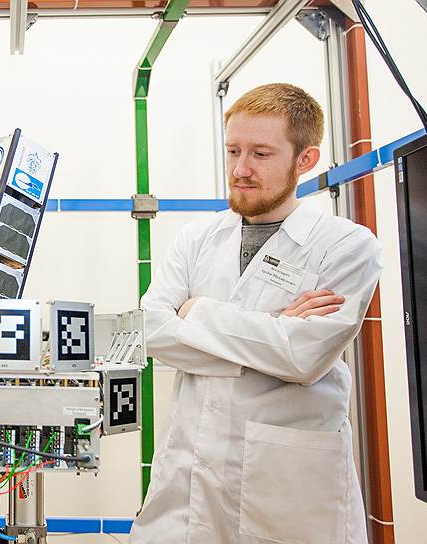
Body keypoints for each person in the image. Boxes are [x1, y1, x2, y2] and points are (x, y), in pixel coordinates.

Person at [129, 83, 381, 544]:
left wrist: (196, 313)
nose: (240, 169)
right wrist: (274, 336)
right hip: (189, 474)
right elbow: (153, 331)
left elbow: (303, 358)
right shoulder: (196, 239)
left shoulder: (347, 246)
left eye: (261, 154)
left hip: (286, 486)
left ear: (305, 160)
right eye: (233, 151)